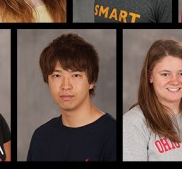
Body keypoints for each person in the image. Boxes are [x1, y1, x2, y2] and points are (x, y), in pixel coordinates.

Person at [27, 33, 116, 161]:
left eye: (75, 75)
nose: (65, 86)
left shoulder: (112, 135)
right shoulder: (41, 136)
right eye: (57, 76)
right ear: (47, 80)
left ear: (92, 81)